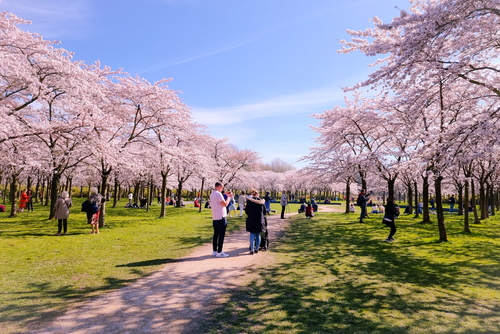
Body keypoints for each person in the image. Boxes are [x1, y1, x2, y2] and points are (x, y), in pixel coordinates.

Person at [210, 182, 233, 257]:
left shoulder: (212, 194)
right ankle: (219, 251)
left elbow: (219, 201)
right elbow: (225, 204)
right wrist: (229, 197)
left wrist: (225, 195)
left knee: (216, 234)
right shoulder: (218, 194)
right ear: (219, 187)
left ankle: (214, 250)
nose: (222, 189)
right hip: (221, 216)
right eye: (222, 188)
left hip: (215, 216)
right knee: (221, 235)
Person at [245, 189, 266, 254]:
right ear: (258, 194)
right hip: (259, 220)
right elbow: (264, 211)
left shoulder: (249, 202)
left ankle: (252, 249)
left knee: (252, 234)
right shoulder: (261, 202)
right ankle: (257, 248)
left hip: (251, 219)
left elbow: (246, 211)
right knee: (258, 235)